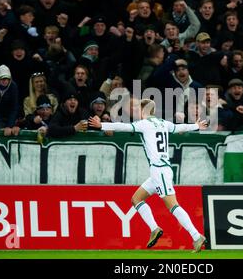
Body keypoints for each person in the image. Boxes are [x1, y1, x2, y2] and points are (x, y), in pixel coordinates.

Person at [88, 99, 208, 252]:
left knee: (172, 205)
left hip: (160, 170)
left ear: (143, 110)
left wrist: (102, 125)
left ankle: (196, 236)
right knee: (136, 199)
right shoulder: (164, 123)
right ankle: (154, 229)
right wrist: (196, 126)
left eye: (138, 109)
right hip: (159, 171)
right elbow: (179, 128)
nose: (136, 112)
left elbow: (123, 127)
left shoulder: (144, 124)